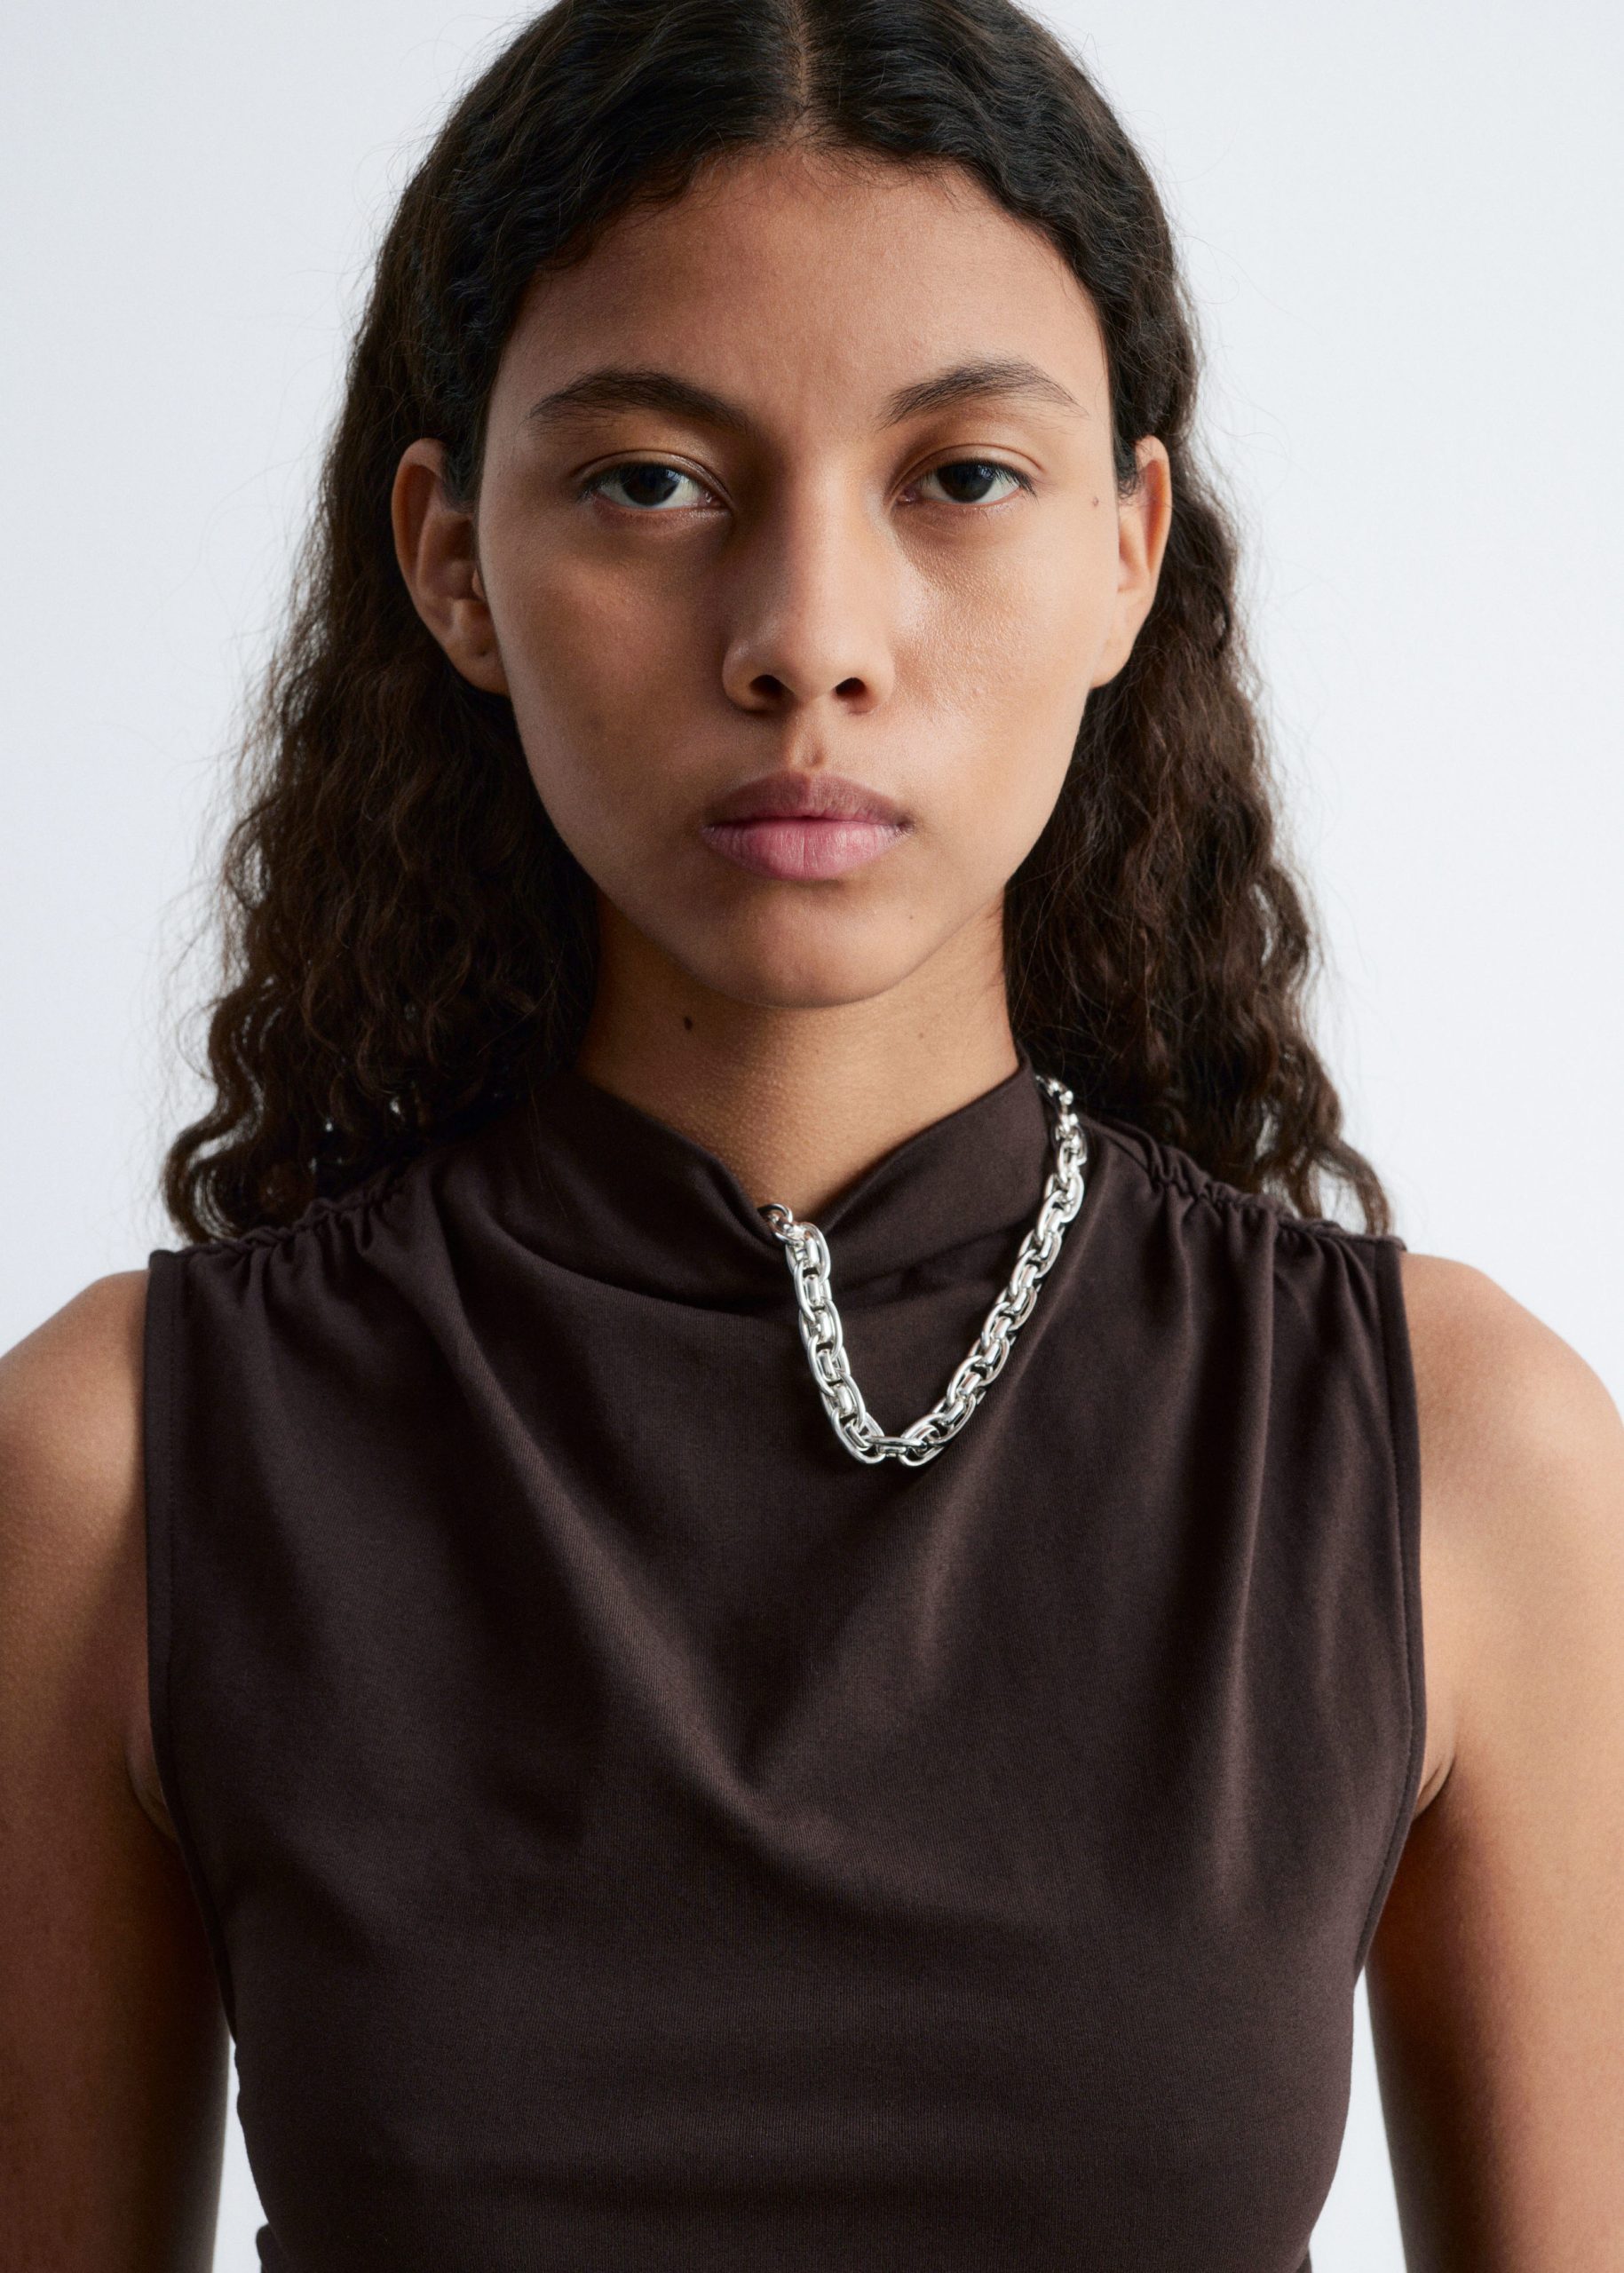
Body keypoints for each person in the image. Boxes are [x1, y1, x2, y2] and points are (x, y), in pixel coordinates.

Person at [3, 1, 1621, 2266]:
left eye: (960, 475)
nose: (807, 641)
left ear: (1129, 550)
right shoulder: (117, 1470)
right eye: (651, 481)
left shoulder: (1462, 1456)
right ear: (453, 560)